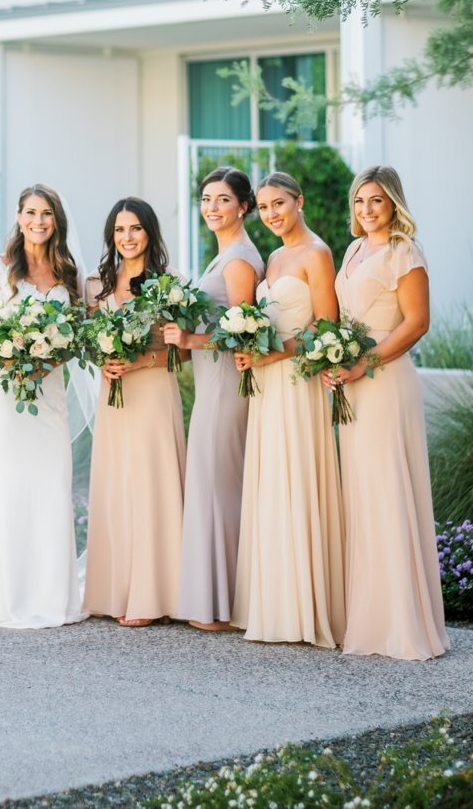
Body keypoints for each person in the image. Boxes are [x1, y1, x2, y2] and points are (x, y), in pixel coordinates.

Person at [329, 165, 448, 660]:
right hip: (352, 379)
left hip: (385, 377)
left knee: (388, 489)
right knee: (362, 492)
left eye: (376, 200)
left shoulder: (405, 251)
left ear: (393, 202)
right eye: (360, 201)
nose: (367, 210)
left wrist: (364, 363)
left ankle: (403, 624)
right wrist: (332, 358)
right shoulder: (354, 250)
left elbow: (417, 323)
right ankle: (371, 619)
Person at [231, 171, 346, 648]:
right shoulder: (274, 257)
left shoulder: (317, 253)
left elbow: (327, 327)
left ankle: (304, 608)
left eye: (279, 203)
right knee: (272, 482)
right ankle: (275, 603)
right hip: (266, 386)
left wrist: (273, 352)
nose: (272, 214)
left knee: (296, 479)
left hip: (297, 384)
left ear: (299, 201)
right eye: (264, 207)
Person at [0, 184, 85, 629]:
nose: (38, 222)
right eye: (31, 213)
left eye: (46, 215)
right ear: (19, 218)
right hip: (4, 393)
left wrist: (47, 359)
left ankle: (53, 597)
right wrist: (6, 355)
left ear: (56, 222)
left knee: (51, 484)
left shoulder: (67, 274)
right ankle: (10, 597)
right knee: (10, 484)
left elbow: (76, 336)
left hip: (49, 392)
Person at [163, 167, 263, 630]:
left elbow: (240, 333)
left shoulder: (240, 260)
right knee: (212, 482)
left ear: (244, 207)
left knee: (219, 485)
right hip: (210, 384)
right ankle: (214, 598)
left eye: (223, 199)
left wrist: (188, 339)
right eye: (206, 199)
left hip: (227, 384)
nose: (212, 207)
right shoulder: (221, 257)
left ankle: (223, 606)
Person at [84, 198, 185, 627]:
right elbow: (87, 340)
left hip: (154, 393)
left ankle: (155, 595)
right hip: (114, 396)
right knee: (118, 484)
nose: (127, 237)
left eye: (136, 229)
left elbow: (184, 353)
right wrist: (103, 359)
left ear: (150, 233)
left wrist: (142, 361)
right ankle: (118, 589)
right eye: (120, 229)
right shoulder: (96, 286)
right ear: (111, 235)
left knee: (152, 485)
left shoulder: (170, 284)